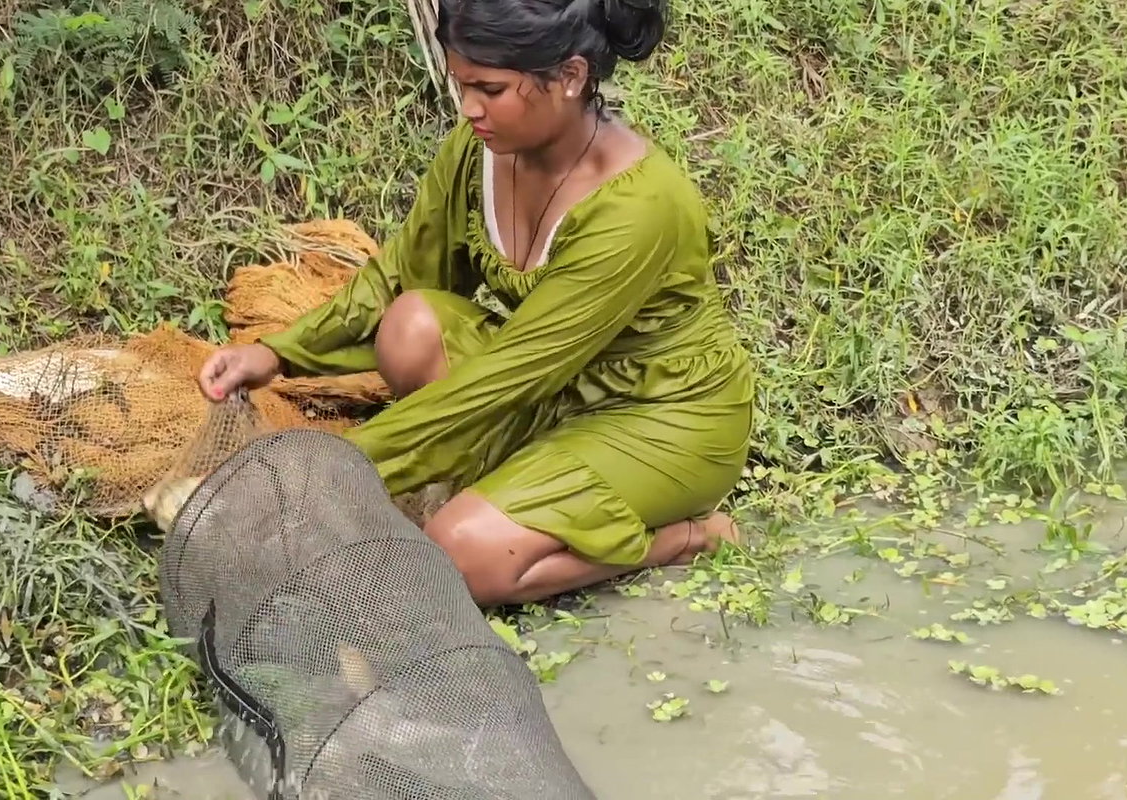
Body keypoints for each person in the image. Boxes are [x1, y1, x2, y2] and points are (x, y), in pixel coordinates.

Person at [197, 0, 755, 607]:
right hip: (551, 385)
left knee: (461, 555)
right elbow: (405, 271)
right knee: (410, 325)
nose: (469, 107)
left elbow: (507, 379)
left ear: (569, 77)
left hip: (662, 416)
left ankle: (680, 538)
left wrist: (333, 472)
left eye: (490, 88)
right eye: (462, 83)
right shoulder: (480, 148)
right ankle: (521, 490)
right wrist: (277, 355)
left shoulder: (639, 210)